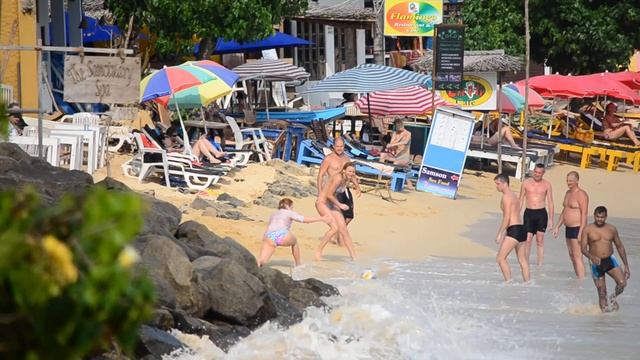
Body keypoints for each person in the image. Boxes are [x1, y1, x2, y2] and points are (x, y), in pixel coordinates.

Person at [581, 206, 630, 312]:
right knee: (602, 291)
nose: (599, 219)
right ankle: (604, 318)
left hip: (610, 260)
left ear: (606, 217)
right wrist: (591, 257)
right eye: (597, 217)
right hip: (595, 263)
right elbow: (583, 249)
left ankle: (613, 298)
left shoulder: (611, 229)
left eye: (602, 217)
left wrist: (626, 265)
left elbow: (620, 246)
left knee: (622, 283)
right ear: (594, 216)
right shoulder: (588, 229)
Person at [257, 198, 330, 267]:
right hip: (280, 235)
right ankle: (298, 264)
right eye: (292, 207)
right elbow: (304, 219)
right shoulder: (289, 212)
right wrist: (321, 218)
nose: (292, 209)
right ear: (287, 206)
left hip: (267, 236)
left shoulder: (274, 214)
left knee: (262, 261)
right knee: (294, 242)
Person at [316, 136, 361, 244]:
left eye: (341, 146)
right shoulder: (328, 159)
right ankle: (339, 235)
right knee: (338, 215)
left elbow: (351, 173)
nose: (339, 148)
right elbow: (320, 175)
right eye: (337, 146)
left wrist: (357, 187)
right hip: (333, 191)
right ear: (333, 146)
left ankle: (338, 233)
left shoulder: (346, 158)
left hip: (344, 189)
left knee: (349, 216)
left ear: (344, 146)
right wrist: (320, 192)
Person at [315, 162, 358, 261]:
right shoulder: (338, 178)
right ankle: (318, 252)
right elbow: (329, 194)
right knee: (334, 228)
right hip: (322, 203)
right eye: (349, 171)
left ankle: (354, 257)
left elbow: (353, 180)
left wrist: (358, 188)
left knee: (343, 229)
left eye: (353, 172)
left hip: (332, 204)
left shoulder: (347, 179)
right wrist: (340, 205)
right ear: (344, 170)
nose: (351, 173)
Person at [494, 173, 530, 282]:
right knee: (523, 261)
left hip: (514, 230)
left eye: (498, 184)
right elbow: (517, 212)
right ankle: (528, 284)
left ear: (505, 183)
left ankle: (509, 283)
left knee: (500, 258)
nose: (497, 186)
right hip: (521, 229)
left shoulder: (506, 197)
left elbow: (507, 217)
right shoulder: (514, 195)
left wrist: (500, 233)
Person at [552, 171, 589, 279]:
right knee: (571, 255)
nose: (568, 183)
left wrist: (581, 232)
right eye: (567, 180)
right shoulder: (568, 193)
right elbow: (565, 211)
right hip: (568, 228)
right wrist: (557, 227)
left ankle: (581, 280)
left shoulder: (581, 194)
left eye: (571, 181)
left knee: (577, 255)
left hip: (577, 228)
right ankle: (578, 277)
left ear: (577, 181)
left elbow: (584, 213)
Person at [519, 164, 554, 266]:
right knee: (528, 239)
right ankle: (525, 262)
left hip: (541, 214)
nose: (537, 174)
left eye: (539, 173)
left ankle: (540, 264)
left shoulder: (547, 184)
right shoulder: (526, 183)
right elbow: (520, 199)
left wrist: (551, 219)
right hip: (529, 213)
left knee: (540, 240)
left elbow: (550, 202)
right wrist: (517, 214)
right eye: (535, 172)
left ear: (543, 173)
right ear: (533, 171)